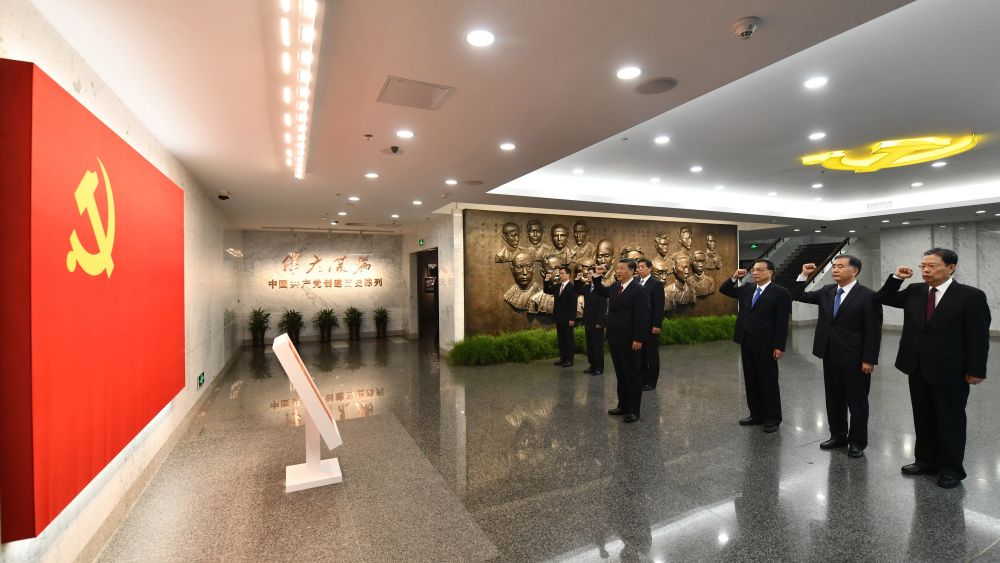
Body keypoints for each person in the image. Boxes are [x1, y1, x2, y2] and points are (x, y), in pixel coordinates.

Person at [875, 248, 991, 488]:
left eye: (932, 266)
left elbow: (978, 337)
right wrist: (896, 278)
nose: (926, 270)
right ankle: (925, 460)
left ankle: (951, 469)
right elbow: (882, 298)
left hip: (951, 370)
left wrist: (976, 369)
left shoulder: (971, 296)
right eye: (923, 266)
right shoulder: (915, 291)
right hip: (917, 366)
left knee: (950, 420)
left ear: (951, 268)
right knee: (923, 416)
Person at [791, 256, 882, 458]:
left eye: (841, 266)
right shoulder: (827, 291)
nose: (835, 270)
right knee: (833, 399)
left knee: (857, 402)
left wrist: (869, 359)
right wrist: (804, 275)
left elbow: (873, 331)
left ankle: (857, 441)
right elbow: (798, 295)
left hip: (855, 358)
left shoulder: (868, 296)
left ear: (855, 271)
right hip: (829, 353)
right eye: (834, 266)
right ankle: (838, 435)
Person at [719, 260, 791, 433]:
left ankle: (773, 418)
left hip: (766, 343)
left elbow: (782, 321)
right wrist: (734, 277)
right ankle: (756, 414)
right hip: (747, 340)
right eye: (753, 270)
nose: (755, 273)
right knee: (751, 379)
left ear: (770, 272)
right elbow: (725, 290)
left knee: (768, 381)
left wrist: (779, 345)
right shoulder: (747, 288)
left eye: (759, 270)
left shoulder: (780, 292)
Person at [592, 260, 650, 423]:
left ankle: (634, 410)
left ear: (632, 271)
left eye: (622, 269)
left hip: (630, 340)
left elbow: (642, 316)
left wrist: (638, 338)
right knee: (621, 374)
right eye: (617, 268)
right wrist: (597, 275)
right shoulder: (616, 286)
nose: (618, 271)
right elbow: (600, 291)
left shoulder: (639, 290)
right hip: (614, 338)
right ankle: (622, 405)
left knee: (632, 375)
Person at [635, 258, 665, 391]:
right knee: (640, 354)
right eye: (638, 267)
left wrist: (657, 325)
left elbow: (659, 306)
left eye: (642, 267)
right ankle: (642, 378)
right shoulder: (635, 282)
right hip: (638, 325)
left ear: (649, 268)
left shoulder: (656, 284)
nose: (639, 269)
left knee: (651, 354)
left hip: (651, 325)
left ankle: (651, 381)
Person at [577, 262, 607, 375]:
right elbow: (576, 290)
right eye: (588, 274)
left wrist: (600, 322)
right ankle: (592, 365)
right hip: (588, 321)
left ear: (596, 274)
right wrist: (578, 279)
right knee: (590, 345)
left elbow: (603, 306)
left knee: (597, 346)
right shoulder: (587, 287)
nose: (588, 276)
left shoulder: (601, 288)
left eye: (590, 274)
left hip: (597, 322)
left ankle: (599, 367)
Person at [545, 265, 577, 367]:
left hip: (568, 319)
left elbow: (573, 304)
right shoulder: (557, 286)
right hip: (559, 317)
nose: (560, 275)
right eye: (560, 273)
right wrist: (546, 280)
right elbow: (547, 290)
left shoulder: (572, 287)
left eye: (562, 273)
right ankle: (563, 358)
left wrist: (572, 318)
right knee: (561, 339)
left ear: (568, 275)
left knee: (568, 339)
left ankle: (569, 360)